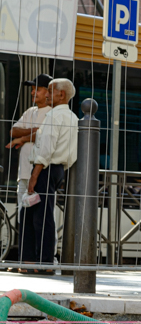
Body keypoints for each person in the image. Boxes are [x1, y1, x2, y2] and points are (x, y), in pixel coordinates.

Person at [24, 78, 78, 273]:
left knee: (42, 217)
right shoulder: (72, 117)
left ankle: (44, 263)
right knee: (42, 214)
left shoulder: (54, 116)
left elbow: (46, 148)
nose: (46, 94)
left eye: (50, 91)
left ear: (61, 94)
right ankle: (38, 261)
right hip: (58, 169)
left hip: (45, 168)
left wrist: (34, 175)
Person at [6, 73, 52, 268]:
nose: (33, 92)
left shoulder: (52, 113)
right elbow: (13, 131)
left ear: (48, 92)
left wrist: (23, 138)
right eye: (33, 88)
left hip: (39, 176)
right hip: (23, 175)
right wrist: (30, 133)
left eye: (38, 89)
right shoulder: (30, 111)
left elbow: (45, 136)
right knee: (23, 220)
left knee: (40, 221)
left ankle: (43, 261)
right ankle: (26, 260)